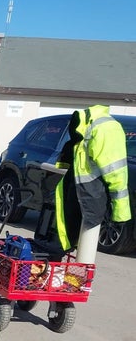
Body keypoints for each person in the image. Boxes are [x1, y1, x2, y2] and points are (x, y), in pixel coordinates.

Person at [54, 104, 130, 263]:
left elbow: (115, 172)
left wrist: (120, 212)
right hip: (84, 193)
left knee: (83, 250)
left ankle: (76, 279)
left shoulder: (105, 128)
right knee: (70, 238)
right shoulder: (90, 124)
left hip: (91, 195)